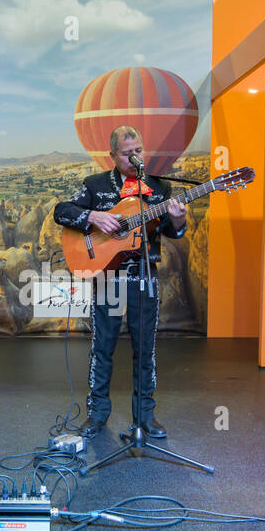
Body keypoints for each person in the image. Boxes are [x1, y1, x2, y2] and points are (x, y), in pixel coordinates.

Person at [53, 124, 187, 439]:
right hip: (108, 276)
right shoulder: (95, 185)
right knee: (103, 347)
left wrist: (178, 220)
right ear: (112, 155)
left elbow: (171, 232)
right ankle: (97, 416)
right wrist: (93, 217)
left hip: (144, 276)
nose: (134, 158)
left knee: (145, 349)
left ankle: (145, 417)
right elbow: (62, 211)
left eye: (138, 151)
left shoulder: (159, 189)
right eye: (127, 154)